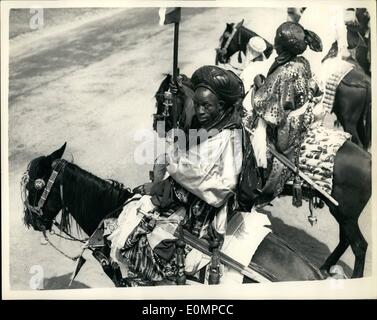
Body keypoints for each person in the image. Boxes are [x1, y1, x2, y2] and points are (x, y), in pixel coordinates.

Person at [110, 65, 245, 283]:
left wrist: (174, 169)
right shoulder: (214, 125)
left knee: (137, 238)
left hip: (202, 214)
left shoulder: (227, 138)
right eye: (197, 104)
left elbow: (217, 186)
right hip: (191, 199)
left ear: (221, 105)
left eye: (206, 106)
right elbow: (185, 148)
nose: (200, 111)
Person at [244, 21, 323, 201]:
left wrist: (259, 84)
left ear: (282, 46)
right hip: (304, 113)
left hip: (288, 126)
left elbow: (268, 108)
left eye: (277, 42)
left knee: (251, 129)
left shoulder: (284, 72)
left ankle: (258, 180)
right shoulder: (300, 61)